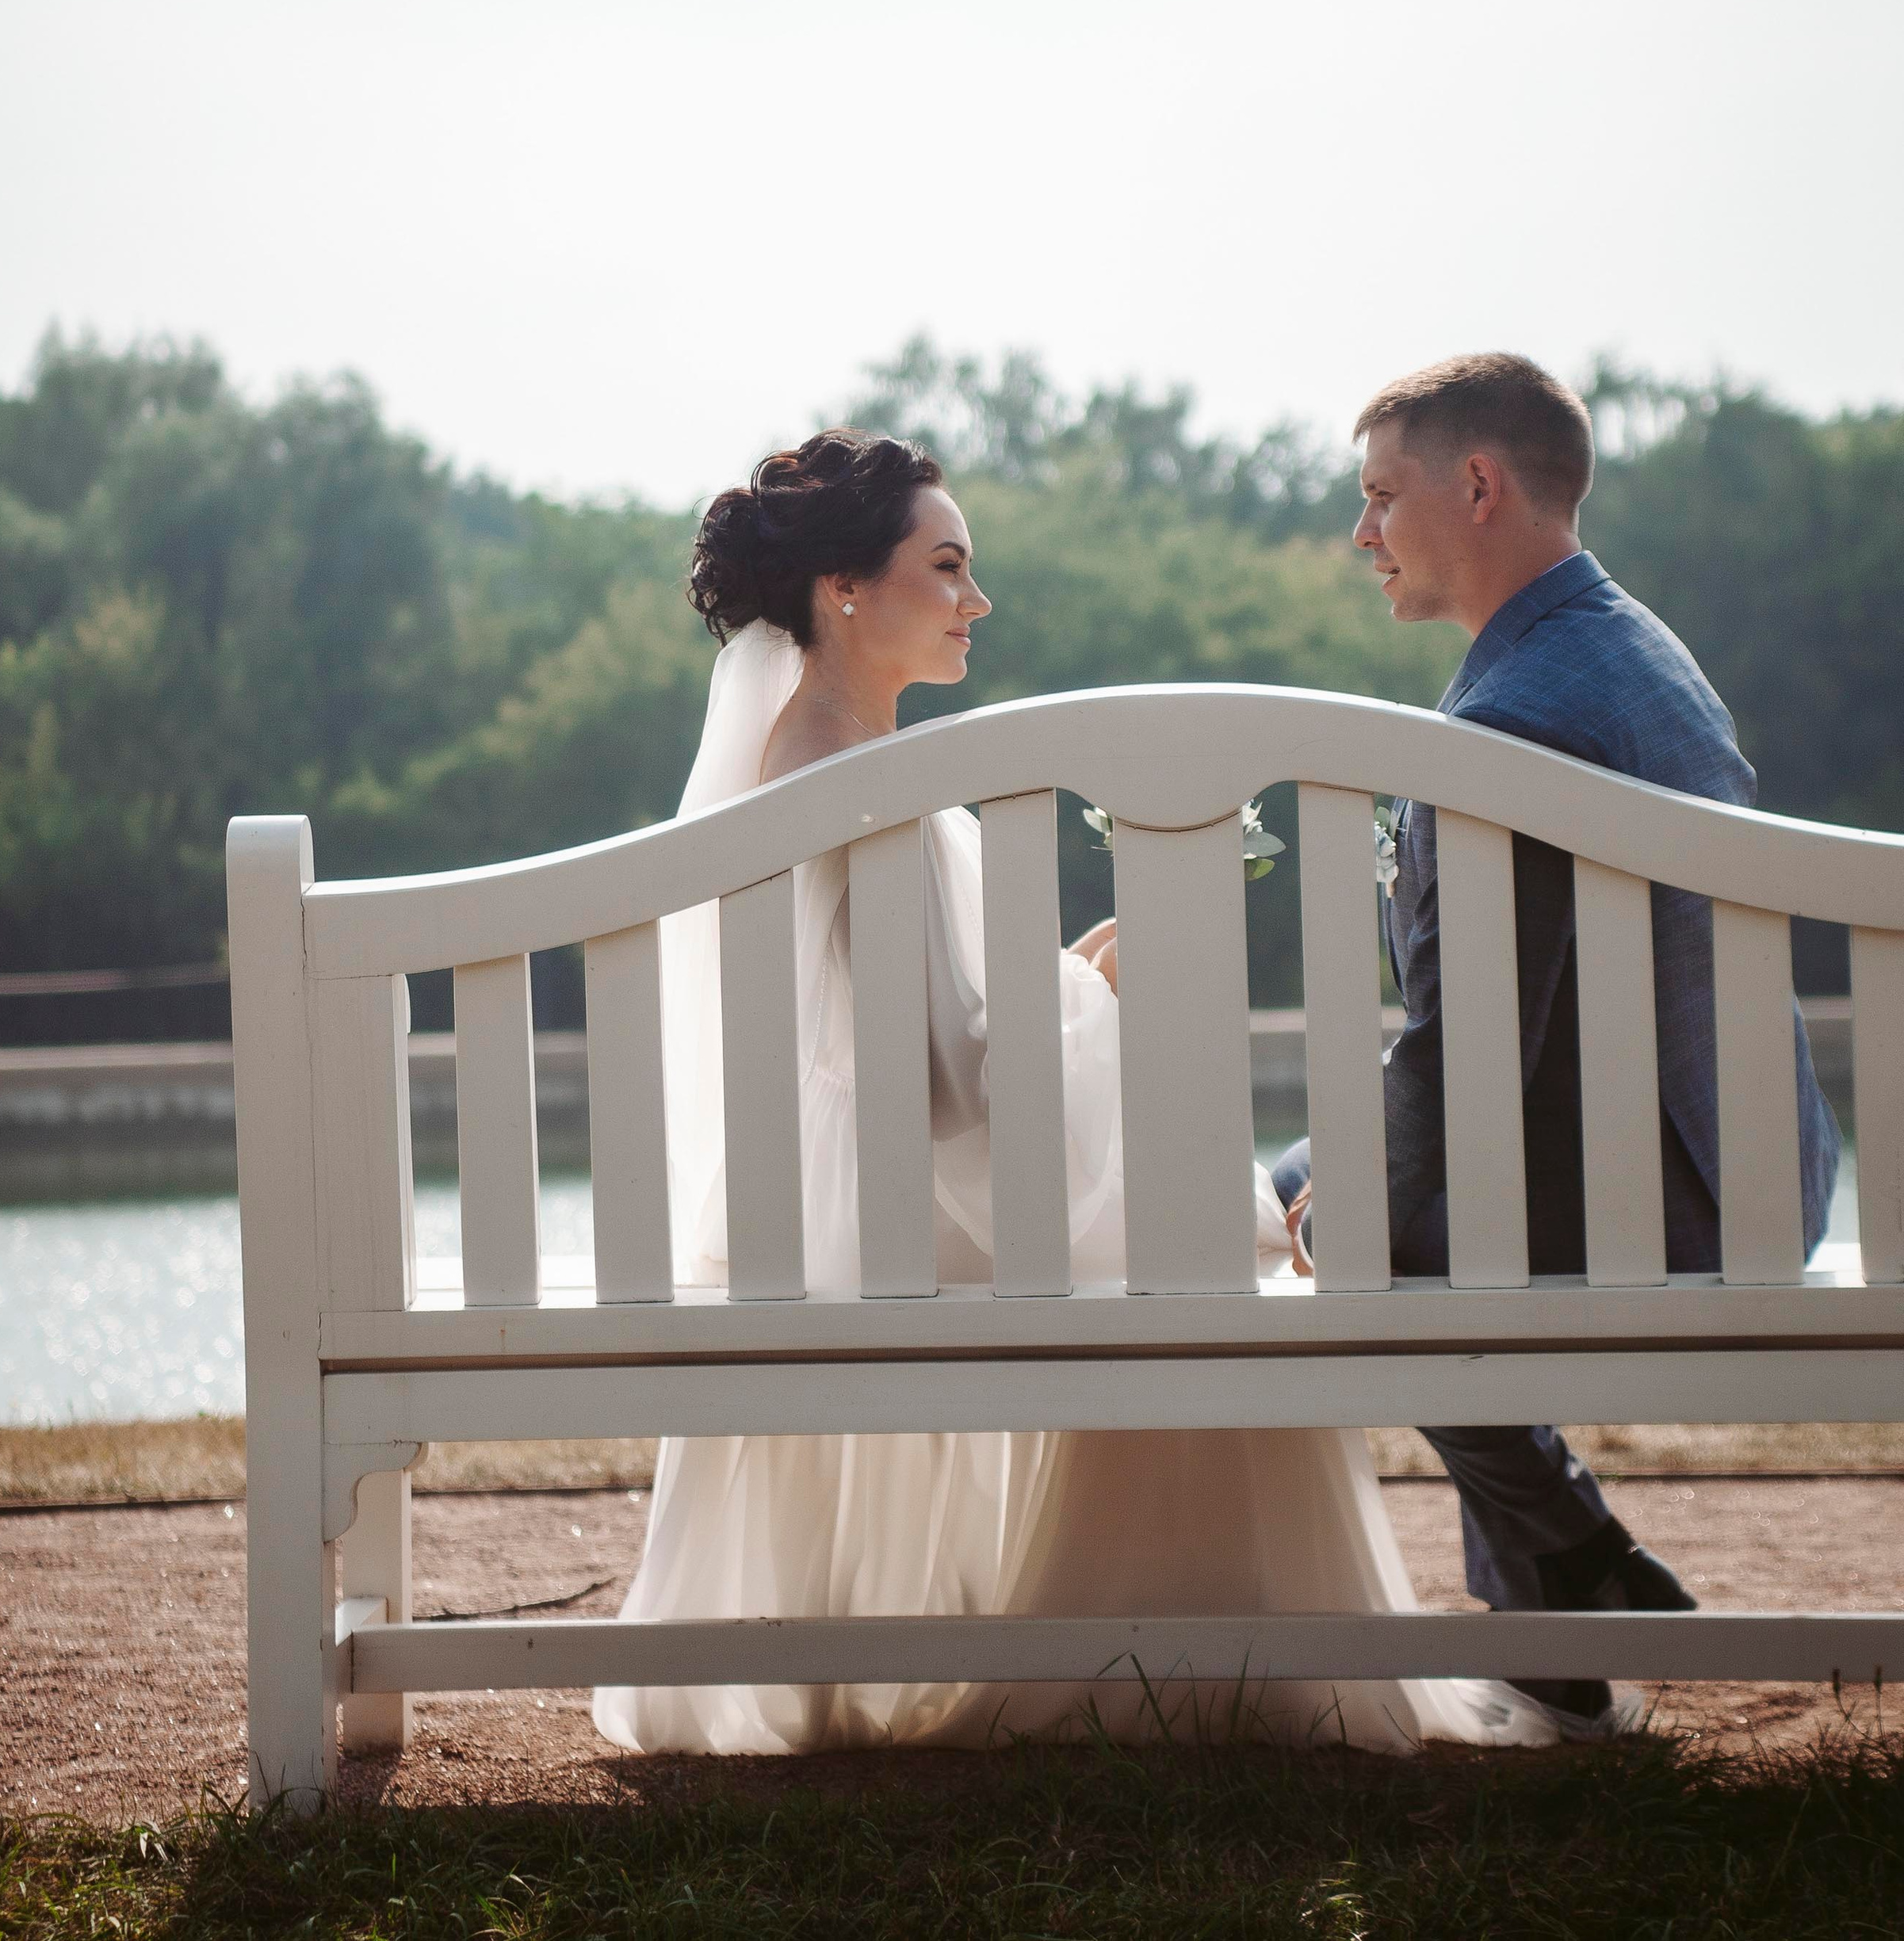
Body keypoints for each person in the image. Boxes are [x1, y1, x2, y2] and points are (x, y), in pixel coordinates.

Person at [595, 428, 1556, 1758]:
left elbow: (916, 1028)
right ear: (843, 589)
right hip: (876, 1218)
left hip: (861, 1195)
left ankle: (1159, 1648)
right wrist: (1101, 1003)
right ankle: (1209, 1660)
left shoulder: (833, 756)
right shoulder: (839, 776)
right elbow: (937, 1084)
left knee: (1202, 1229)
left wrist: (1073, 976)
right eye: (948, 566)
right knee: (1209, 1252)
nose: (977, 598)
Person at [1270, 351, 1843, 1742]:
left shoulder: (1518, 715)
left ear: (1478, 484)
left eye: (1381, 496)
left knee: (1350, 1220)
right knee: (1303, 1181)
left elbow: (1469, 1047)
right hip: (1756, 1157)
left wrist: (1358, 1192)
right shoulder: (1627, 648)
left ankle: (1572, 1589)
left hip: (1683, 1195)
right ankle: (1567, 1618)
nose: (1363, 534)